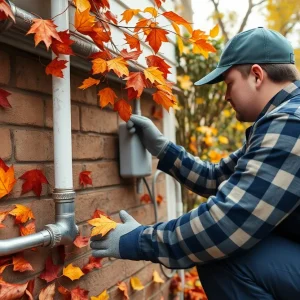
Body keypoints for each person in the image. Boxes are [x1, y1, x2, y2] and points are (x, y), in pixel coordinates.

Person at [91, 27, 300, 299]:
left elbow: (229, 223)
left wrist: (139, 240)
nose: (226, 96)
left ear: (257, 76)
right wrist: (163, 149)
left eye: (228, 83)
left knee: (221, 257)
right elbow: (216, 177)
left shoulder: (291, 123)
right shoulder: (281, 120)